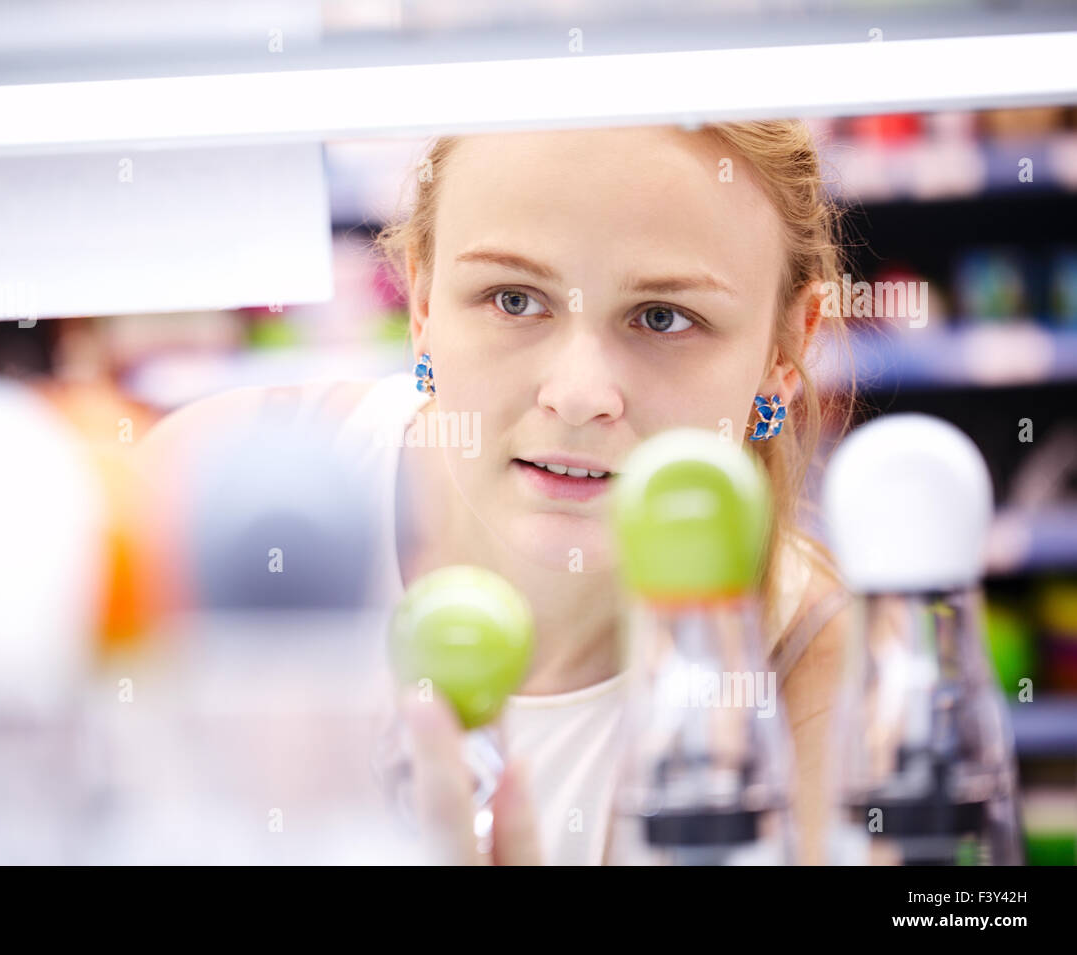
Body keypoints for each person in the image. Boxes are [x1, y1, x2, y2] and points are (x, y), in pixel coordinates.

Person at [141, 121, 860, 865]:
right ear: (421, 304)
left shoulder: (829, 687)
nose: (580, 395)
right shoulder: (207, 498)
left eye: (663, 317)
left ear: (786, 352)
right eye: (513, 299)